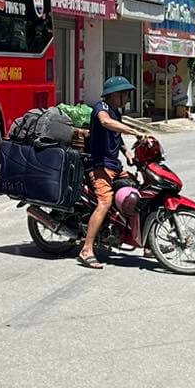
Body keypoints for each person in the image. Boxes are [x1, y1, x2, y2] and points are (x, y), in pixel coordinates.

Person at [78, 76, 148, 270]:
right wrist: (133, 131)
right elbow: (106, 123)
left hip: (114, 166)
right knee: (105, 202)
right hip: (99, 166)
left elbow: (116, 135)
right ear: (113, 95)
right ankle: (86, 250)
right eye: (124, 94)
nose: (126, 98)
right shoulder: (101, 108)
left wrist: (126, 151)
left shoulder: (116, 112)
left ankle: (147, 243)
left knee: (137, 193)